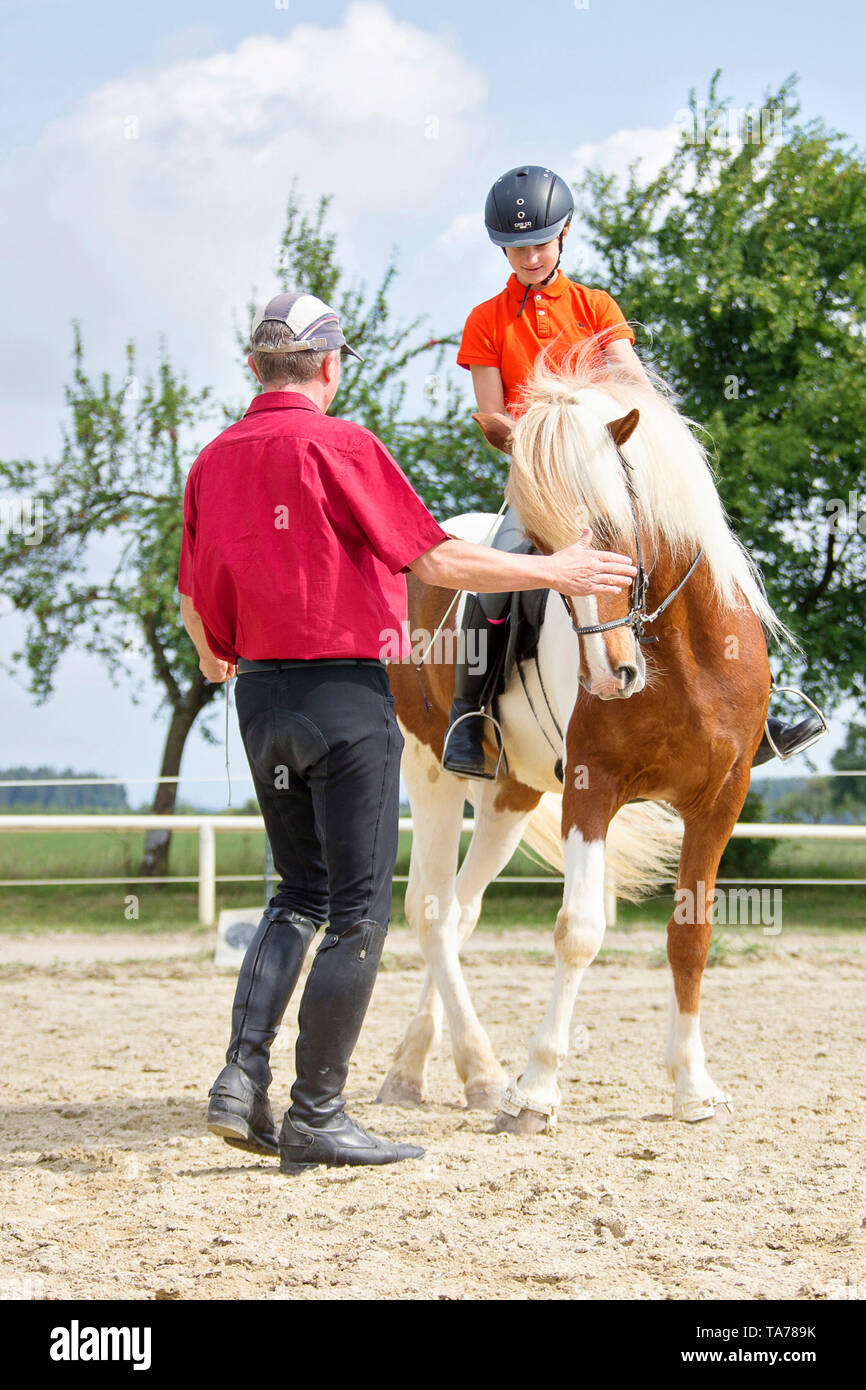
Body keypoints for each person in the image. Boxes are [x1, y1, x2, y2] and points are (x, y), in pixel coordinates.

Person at [178, 290, 639, 1173]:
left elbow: (195, 604)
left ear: (254, 368)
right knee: (357, 909)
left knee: (294, 899)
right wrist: (558, 567)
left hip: (259, 702)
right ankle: (317, 1114)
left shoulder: (212, 460)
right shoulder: (343, 445)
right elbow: (434, 558)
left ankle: (241, 1081)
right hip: (347, 699)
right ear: (331, 366)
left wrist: (217, 659)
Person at [445, 164, 823, 778]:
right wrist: (541, 449)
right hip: (542, 484)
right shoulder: (486, 321)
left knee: (710, 548)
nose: (530, 256)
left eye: (540, 242)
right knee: (495, 574)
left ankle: (758, 709)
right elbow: (493, 417)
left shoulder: (595, 306)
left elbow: (633, 384)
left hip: (611, 475)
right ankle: (471, 714)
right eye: (516, 247)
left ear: (563, 234)